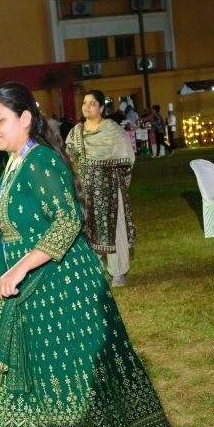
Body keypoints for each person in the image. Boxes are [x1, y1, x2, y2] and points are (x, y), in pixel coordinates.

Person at [0, 82, 171, 427]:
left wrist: (19, 267)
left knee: (73, 377)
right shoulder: (16, 161)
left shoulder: (40, 160)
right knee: (39, 372)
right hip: (36, 285)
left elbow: (66, 221)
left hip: (64, 287)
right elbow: (23, 226)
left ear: (25, 119)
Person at [65, 89, 137, 287]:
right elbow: (68, 161)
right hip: (85, 190)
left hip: (110, 189)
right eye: (85, 103)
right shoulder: (75, 133)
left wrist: (117, 178)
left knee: (115, 228)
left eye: (92, 103)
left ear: (101, 108)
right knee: (88, 229)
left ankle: (118, 272)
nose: (87, 107)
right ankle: (92, 269)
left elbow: (127, 158)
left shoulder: (113, 131)